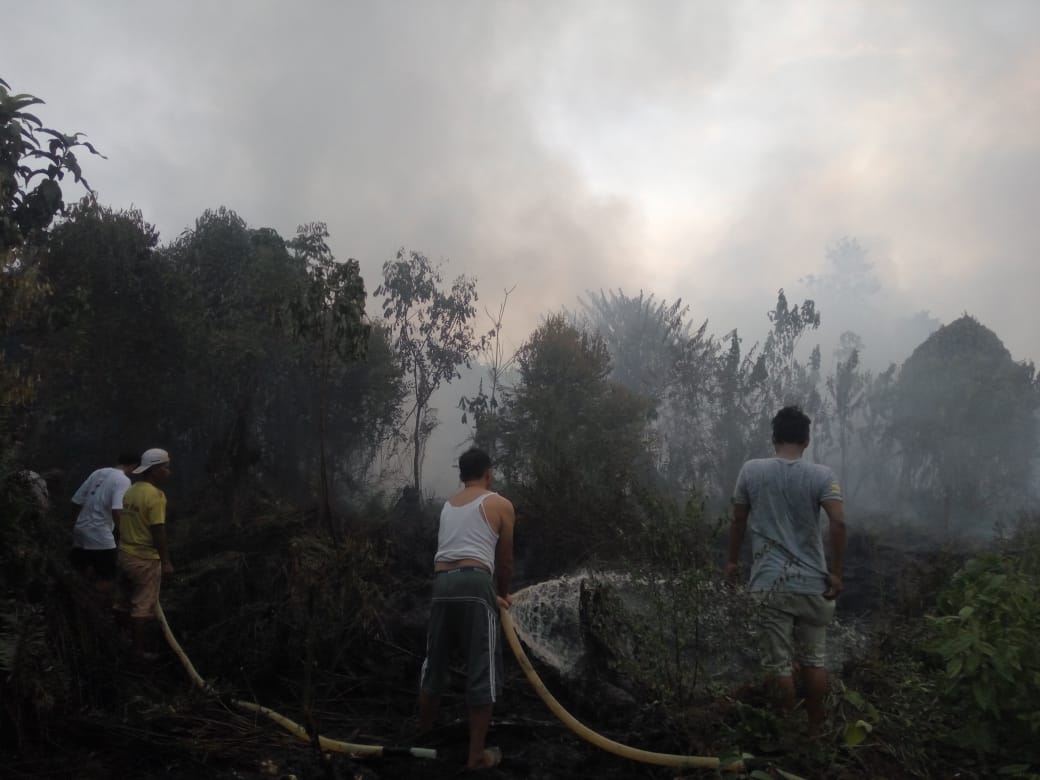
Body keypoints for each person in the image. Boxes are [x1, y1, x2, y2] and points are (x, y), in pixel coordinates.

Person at [725, 405, 847, 736]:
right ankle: (814, 730)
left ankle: (787, 732)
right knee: (814, 660)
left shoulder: (751, 470)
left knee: (778, 665)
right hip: (813, 584)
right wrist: (835, 573)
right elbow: (838, 521)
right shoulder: (822, 476)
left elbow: (738, 519)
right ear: (806, 441)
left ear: (774, 437)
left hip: (769, 583)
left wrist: (733, 562)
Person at [418, 447, 516, 771]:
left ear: (462, 475)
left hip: (443, 584)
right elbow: (503, 563)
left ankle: (424, 736)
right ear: (488, 472)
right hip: (476, 584)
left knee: (435, 663)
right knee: (482, 668)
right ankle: (476, 756)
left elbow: (454, 548)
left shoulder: (448, 506)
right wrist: (502, 594)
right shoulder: (501, 504)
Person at [117, 447, 174, 659]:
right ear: (155, 470)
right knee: (142, 606)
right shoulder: (156, 495)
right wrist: (166, 562)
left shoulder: (132, 490)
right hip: (144, 559)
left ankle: (120, 639)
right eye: (165, 467)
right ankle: (137, 652)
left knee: (122, 600)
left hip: (124, 554)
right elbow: (158, 530)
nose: (168, 472)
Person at [69, 452, 139, 596]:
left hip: (80, 531)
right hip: (100, 534)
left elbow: (76, 501)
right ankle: (98, 611)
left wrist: (75, 524)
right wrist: (126, 535)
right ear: (134, 466)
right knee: (107, 577)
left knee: (80, 574)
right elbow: (117, 510)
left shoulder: (98, 472)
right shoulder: (123, 480)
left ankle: (79, 608)